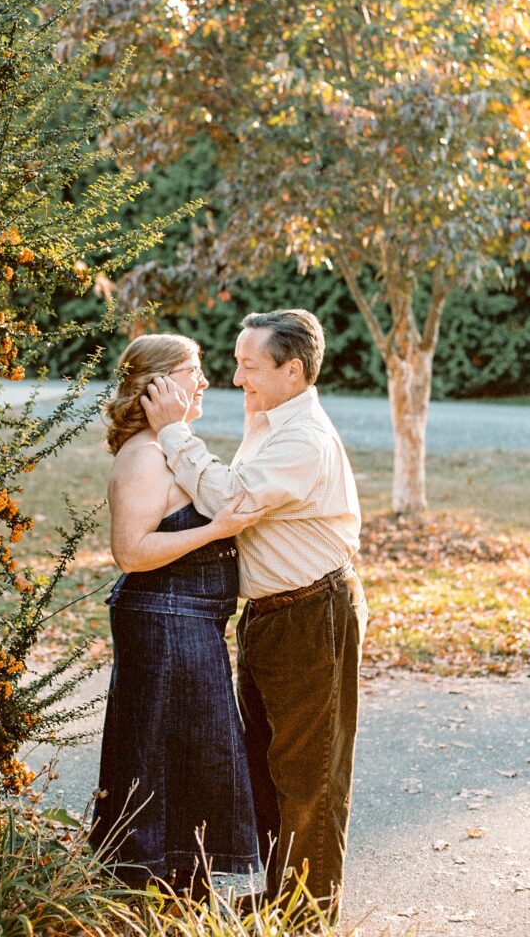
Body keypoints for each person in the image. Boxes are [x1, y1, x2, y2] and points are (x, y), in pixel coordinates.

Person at [141, 309, 368, 925]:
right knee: (267, 765)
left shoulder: (303, 440)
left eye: (249, 366)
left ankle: (307, 916)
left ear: (292, 370)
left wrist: (172, 435)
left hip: (312, 612)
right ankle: (279, 897)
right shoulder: (270, 419)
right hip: (273, 614)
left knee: (310, 774)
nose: (237, 378)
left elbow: (233, 500)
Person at [90, 333, 264, 895]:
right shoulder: (142, 456)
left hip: (189, 621)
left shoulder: (165, 447)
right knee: (162, 749)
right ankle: (148, 883)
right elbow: (131, 552)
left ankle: (184, 884)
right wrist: (216, 531)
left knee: (195, 748)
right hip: (164, 620)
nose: (207, 381)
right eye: (194, 370)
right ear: (159, 385)